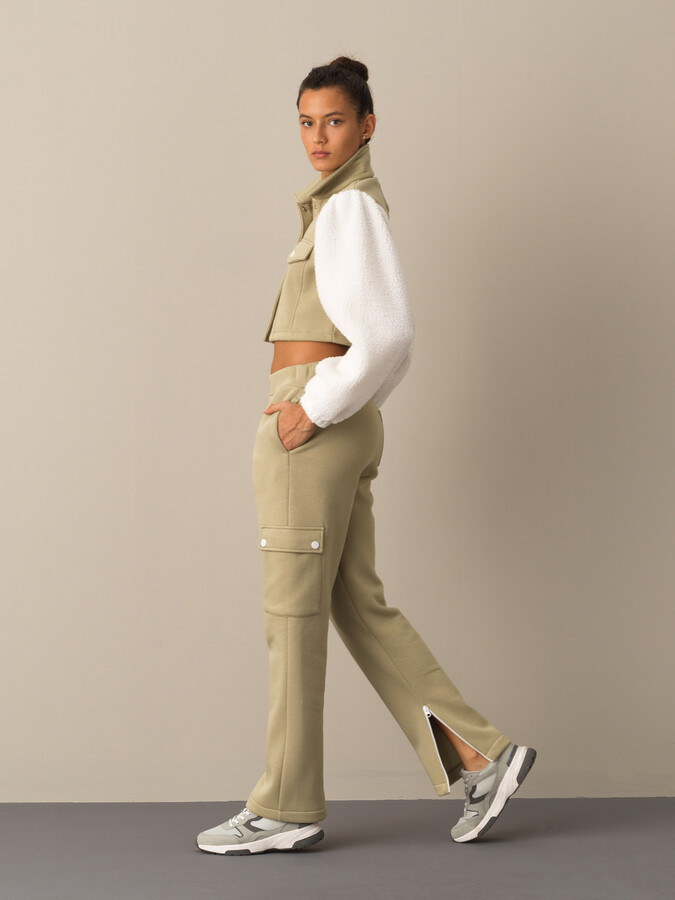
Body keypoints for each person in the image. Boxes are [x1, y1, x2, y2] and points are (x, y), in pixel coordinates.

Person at [196, 56, 536, 856]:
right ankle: (481, 761)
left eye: (334, 121)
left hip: (313, 425)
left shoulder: (347, 208)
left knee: (292, 619)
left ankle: (285, 806)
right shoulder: (344, 206)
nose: (318, 137)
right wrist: (342, 410)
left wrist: (312, 408)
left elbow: (388, 336)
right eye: (306, 122)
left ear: (366, 126)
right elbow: (389, 343)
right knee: (357, 607)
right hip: (336, 422)